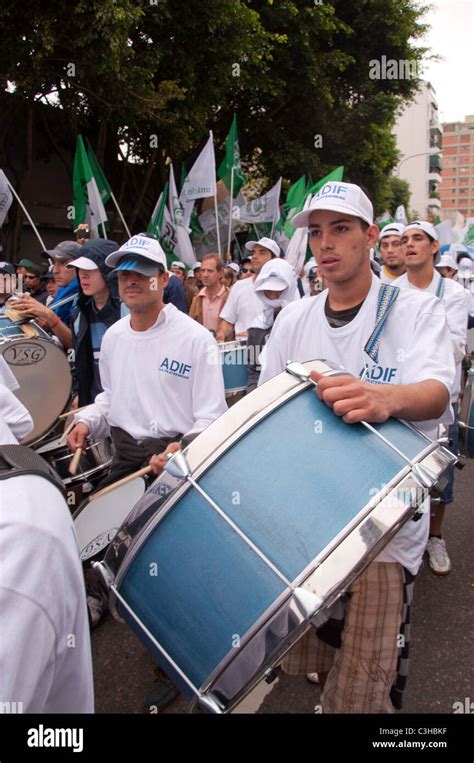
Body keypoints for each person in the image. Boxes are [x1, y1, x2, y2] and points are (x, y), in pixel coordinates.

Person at [259, 181, 455, 713]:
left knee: (366, 687)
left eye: (341, 229)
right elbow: (263, 413)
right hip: (309, 530)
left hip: (384, 532)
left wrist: (383, 397)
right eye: (317, 232)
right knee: (322, 664)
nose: (326, 243)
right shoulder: (294, 319)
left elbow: (437, 393)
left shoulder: (415, 310)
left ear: (371, 237)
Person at [67, 235, 227, 487]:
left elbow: (212, 417)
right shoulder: (114, 337)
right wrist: (88, 421)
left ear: (163, 279)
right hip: (125, 462)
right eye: (123, 274)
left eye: (141, 273)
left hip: (178, 467)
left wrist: (180, 449)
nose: (130, 281)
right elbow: (110, 398)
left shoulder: (196, 339)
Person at [0, 413, 94, 714]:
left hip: (165, 448)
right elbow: (112, 398)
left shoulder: (17, 537)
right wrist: (91, 418)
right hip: (126, 444)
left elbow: (21, 422)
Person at [394, 220, 470, 575]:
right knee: (401, 474)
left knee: (442, 476)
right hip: (399, 398)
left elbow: (454, 347)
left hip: (440, 401)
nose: (409, 245)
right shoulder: (390, 290)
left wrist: (416, 341)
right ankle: (398, 536)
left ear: (434, 247)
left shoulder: (453, 293)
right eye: (404, 239)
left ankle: (435, 537)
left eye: (417, 239)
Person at [68, 239, 124, 406]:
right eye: (79, 269)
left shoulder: (127, 311)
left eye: (90, 269)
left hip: (124, 406)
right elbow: (77, 359)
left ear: (108, 271)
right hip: (92, 407)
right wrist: (78, 392)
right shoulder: (79, 313)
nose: (82, 275)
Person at [10, 241, 81, 349]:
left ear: (79, 265)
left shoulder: (86, 297)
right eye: (54, 263)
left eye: (63, 263)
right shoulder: (62, 292)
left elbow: (77, 345)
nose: (55, 270)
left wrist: (49, 316)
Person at [246, 258, 298, 392]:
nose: (272, 294)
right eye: (268, 289)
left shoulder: (304, 320)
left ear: (290, 286)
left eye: (278, 289)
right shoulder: (256, 326)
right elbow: (254, 370)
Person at [216, 237, 280, 342]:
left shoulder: (285, 288)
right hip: (241, 352)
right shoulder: (238, 286)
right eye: (254, 252)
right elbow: (228, 320)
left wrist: (255, 336)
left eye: (262, 253)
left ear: (275, 259)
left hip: (271, 350)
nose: (255, 256)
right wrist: (221, 334)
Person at [189, 253, 230, 335]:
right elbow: (190, 326)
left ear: (220, 273)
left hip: (225, 346)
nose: (205, 275)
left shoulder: (230, 297)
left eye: (210, 271)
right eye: (203, 270)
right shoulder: (197, 299)